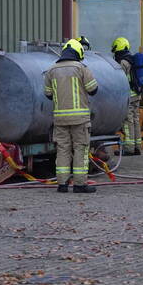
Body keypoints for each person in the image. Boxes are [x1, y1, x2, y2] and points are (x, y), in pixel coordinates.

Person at [44, 38, 99, 193]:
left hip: (60, 119)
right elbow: (93, 89)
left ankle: (62, 184)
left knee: (62, 149)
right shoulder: (81, 68)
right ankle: (80, 185)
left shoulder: (51, 70)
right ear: (78, 52)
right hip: (80, 119)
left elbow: (48, 94)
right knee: (80, 149)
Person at [111, 36, 143, 155]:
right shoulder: (132, 59)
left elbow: (119, 80)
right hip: (137, 94)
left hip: (128, 96)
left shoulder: (123, 62)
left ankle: (129, 148)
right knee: (135, 120)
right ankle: (137, 146)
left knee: (127, 121)